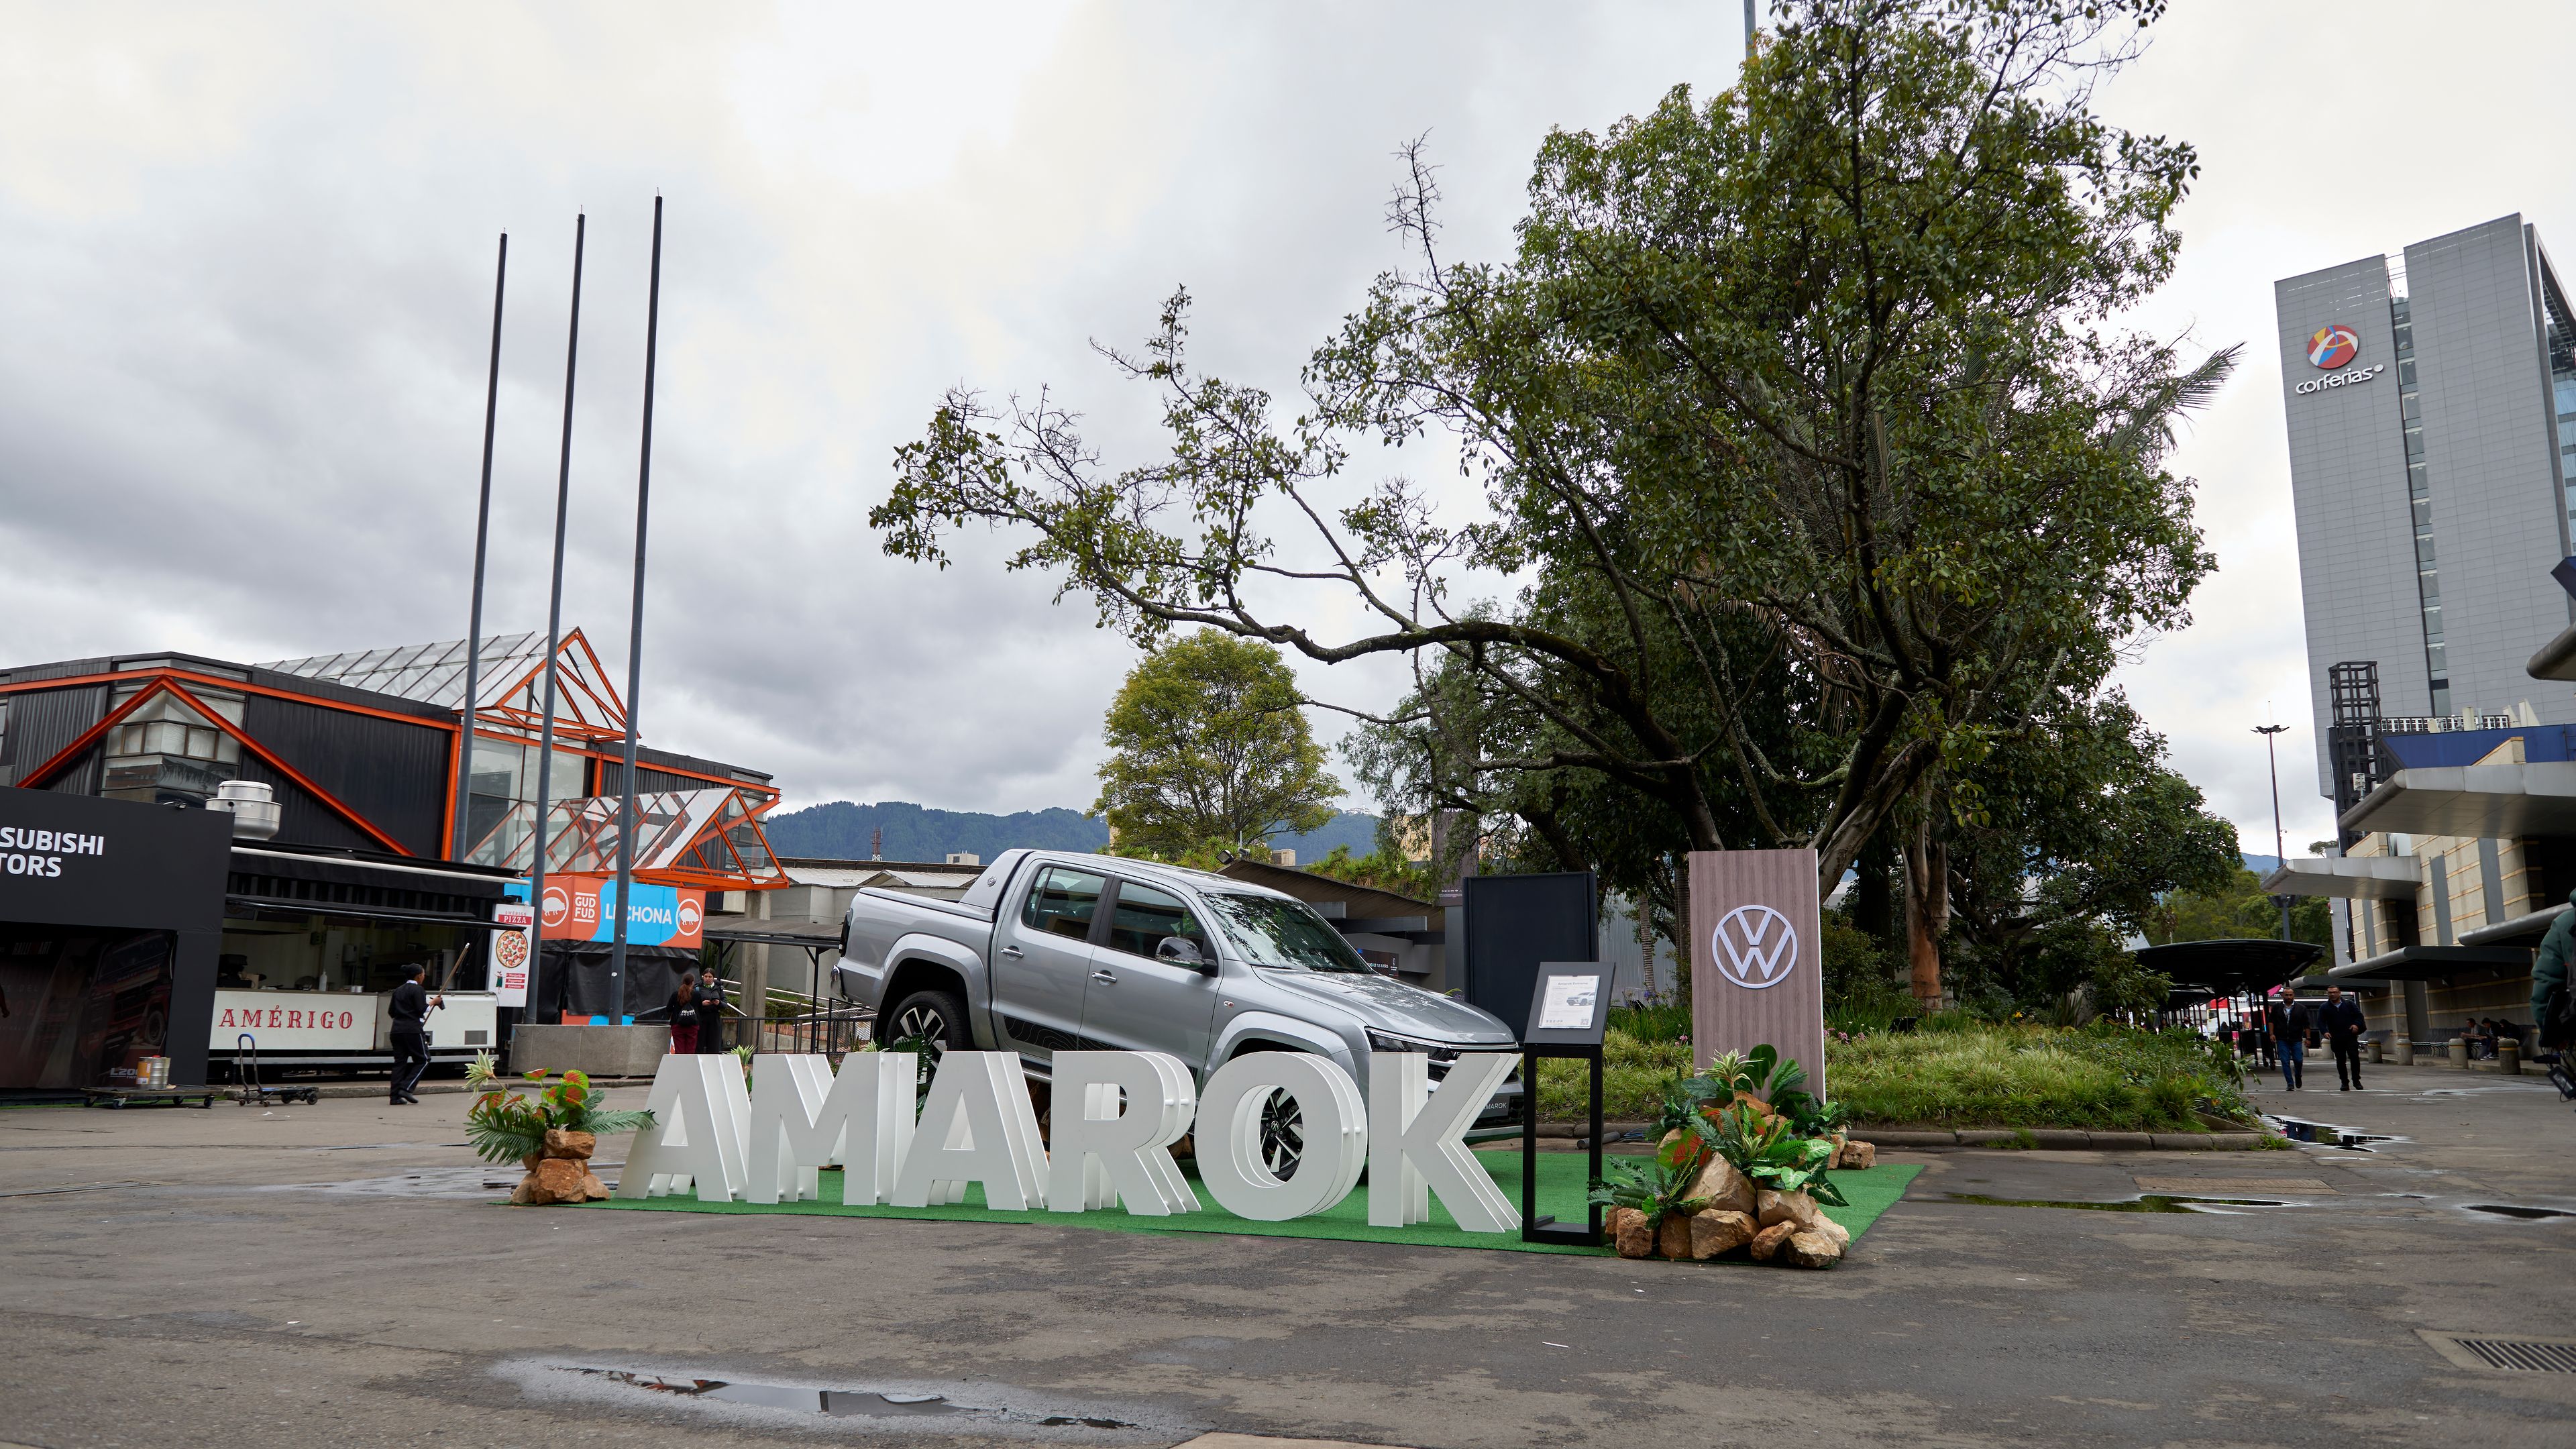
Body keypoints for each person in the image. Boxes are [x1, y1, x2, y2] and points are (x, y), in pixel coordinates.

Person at [386, 964, 440, 1106]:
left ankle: (394, 1097)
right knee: (424, 1059)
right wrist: (434, 1002)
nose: (424, 977)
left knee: (399, 1063)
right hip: (413, 1030)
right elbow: (422, 1009)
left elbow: (391, 1011)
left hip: (396, 1030)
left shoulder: (398, 990)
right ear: (418, 976)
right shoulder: (418, 989)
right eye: (423, 974)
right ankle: (406, 1088)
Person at [2321, 984, 2368, 1090]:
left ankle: (2356, 1080)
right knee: (2340, 1060)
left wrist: (2356, 1025)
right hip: (2336, 1037)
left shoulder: (2349, 1004)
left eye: (2335, 992)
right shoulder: (2324, 1007)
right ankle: (2344, 1082)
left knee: (2354, 1058)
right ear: (2328, 994)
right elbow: (2321, 1021)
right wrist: (2325, 1032)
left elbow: (2359, 1016)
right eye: (2330, 993)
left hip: (2350, 1036)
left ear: (2339, 993)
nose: (2333, 994)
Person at [2267, 991, 2308, 1091]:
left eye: (2291, 995)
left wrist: (2308, 1038)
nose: (2289, 997)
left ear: (2294, 995)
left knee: (2298, 1060)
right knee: (2285, 1061)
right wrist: (2272, 1034)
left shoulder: (2301, 1008)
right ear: (2283, 996)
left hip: (2296, 1038)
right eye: (2287, 995)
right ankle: (2290, 1083)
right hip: (2282, 1038)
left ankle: (2298, 1075)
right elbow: (2271, 1021)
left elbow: (2307, 1024)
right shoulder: (2277, 1007)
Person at [667, 969, 701, 1056]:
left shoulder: (675, 994)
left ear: (683, 982)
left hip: (677, 1025)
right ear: (693, 983)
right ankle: (689, 1065)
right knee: (691, 1051)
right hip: (693, 1026)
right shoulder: (697, 995)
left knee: (679, 1051)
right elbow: (700, 1009)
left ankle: (680, 1065)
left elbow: (668, 1009)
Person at [694, 969, 727, 1054]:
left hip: (714, 1018)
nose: (707, 979)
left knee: (713, 1043)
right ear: (703, 977)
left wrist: (719, 1003)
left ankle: (713, 1060)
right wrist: (702, 1004)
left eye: (710, 977)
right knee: (699, 1043)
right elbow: (692, 1004)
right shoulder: (697, 987)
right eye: (706, 976)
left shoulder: (719, 988)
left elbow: (725, 1004)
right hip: (702, 1018)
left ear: (713, 978)